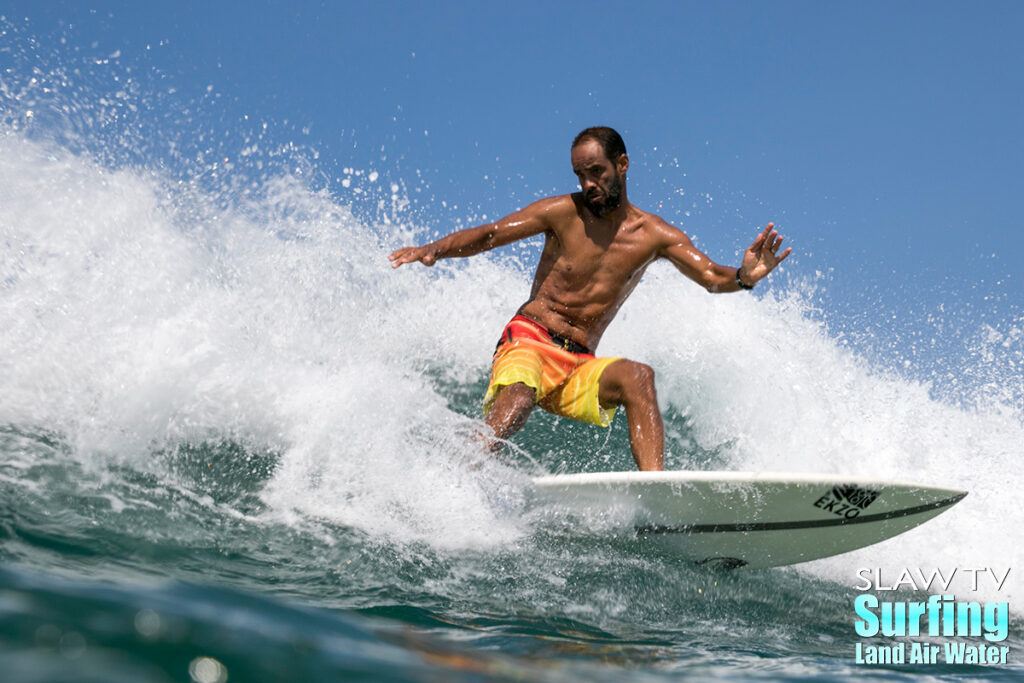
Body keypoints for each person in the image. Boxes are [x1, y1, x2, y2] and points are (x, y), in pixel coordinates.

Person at [389, 127, 791, 471]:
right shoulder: (562, 212)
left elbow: (709, 275)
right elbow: (492, 233)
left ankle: (657, 494)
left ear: (623, 165)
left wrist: (744, 277)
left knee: (638, 377)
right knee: (521, 392)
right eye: (580, 175)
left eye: (596, 172)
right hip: (529, 338)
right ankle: (463, 468)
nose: (588, 184)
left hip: (577, 361)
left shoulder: (654, 235)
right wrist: (435, 249)